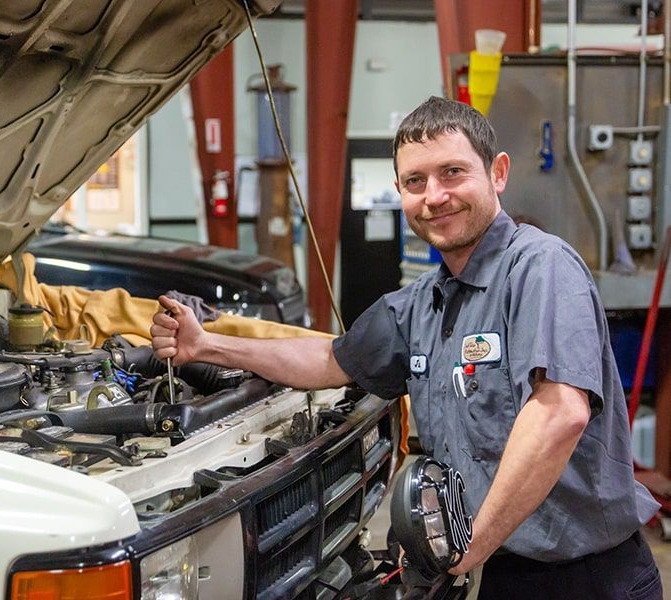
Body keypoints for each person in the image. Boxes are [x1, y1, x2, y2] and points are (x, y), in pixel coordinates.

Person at [151, 96, 662, 599]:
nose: (434, 196)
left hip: (586, 578)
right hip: (495, 574)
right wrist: (209, 345)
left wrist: (469, 548)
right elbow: (331, 360)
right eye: (415, 182)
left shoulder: (540, 268)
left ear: (498, 173)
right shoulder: (419, 305)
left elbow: (559, 413)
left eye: (453, 173)